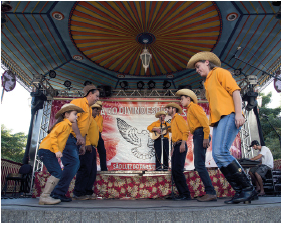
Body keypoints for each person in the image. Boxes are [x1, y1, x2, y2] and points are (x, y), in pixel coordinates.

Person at [187, 51, 257, 204]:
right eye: (195, 68)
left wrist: (239, 114)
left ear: (207, 62)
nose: (197, 70)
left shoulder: (219, 72)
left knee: (221, 152)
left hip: (229, 115)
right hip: (219, 120)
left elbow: (236, 92)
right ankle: (240, 190)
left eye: (198, 66)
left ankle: (248, 189)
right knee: (218, 157)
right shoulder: (207, 82)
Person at [51, 84, 99, 202]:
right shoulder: (78, 102)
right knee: (73, 164)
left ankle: (59, 193)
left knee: (74, 165)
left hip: (74, 140)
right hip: (67, 136)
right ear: (90, 94)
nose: (98, 98)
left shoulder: (88, 108)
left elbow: (84, 129)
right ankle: (57, 193)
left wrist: (82, 144)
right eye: (96, 96)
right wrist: (78, 136)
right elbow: (72, 120)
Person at [38, 103, 84, 205]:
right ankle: (45, 197)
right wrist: (56, 150)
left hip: (48, 151)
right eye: (75, 114)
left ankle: (46, 196)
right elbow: (53, 136)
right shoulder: (63, 124)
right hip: (47, 150)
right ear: (66, 114)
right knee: (57, 172)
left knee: (57, 172)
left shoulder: (67, 125)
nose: (77, 116)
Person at [176, 89, 217, 202]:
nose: (181, 101)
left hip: (200, 134)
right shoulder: (190, 110)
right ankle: (210, 192)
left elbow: (204, 121)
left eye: (182, 98)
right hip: (197, 135)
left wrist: (205, 136)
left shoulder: (194, 107)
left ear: (188, 98)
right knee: (199, 165)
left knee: (199, 165)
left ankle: (211, 192)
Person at [73, 103, 100, 200]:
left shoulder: (93, 120)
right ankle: (78, 193)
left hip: (92, 147)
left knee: (92, 171)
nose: (97, 112)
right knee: (84, 169)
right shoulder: (87, 119)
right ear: (90, 110)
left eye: (98, 110)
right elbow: (84, 131)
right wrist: (86, 143)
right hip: (87, 146)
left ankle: (87, 192)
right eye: (95, 110)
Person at [165, 103, 191, 200]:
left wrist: (183, 144)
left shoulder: (179, 118)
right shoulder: (173, 120)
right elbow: (175, 136)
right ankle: (181, 193)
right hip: (176, 145)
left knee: (178, 170)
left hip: (180, 144)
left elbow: (185, 131)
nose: (168, 110)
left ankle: (186, 194)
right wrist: (173, 148)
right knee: (175, 170)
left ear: (174, 109)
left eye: (169, 108)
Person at [95, 100, 108, 171]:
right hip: (92, 134)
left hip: (98, 134)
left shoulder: (100, 116)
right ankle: (92, 168)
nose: (98, 109)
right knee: (92, 152)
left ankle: (103, 168)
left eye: (100, 107)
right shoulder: (91, 115)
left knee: (102, 151)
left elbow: (100, 127)